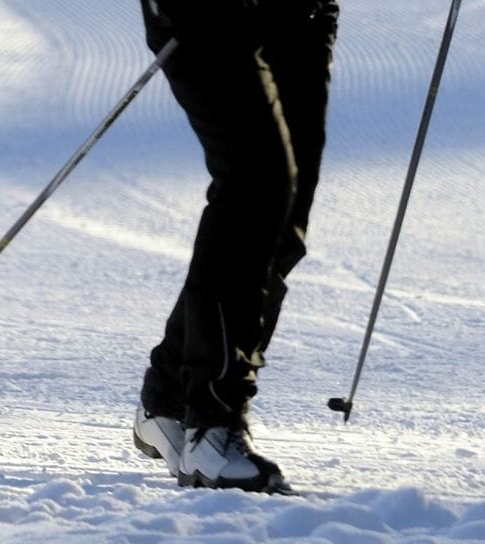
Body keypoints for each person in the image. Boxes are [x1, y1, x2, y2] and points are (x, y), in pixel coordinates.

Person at [132, 0, 339, 493]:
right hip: (212, 12)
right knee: (258, 185)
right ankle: (212, 426)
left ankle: (170, 398)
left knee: (282, 219)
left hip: (301, 14)